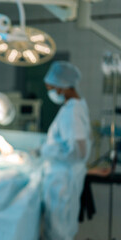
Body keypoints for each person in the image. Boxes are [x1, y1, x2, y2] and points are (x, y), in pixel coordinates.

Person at [40, 61, 91, 240]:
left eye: (51, 88)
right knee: (62, 228)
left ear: (62, 87)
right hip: (65, 176)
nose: (51, 92)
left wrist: (47, 151)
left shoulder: (73, 111)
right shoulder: (77, 105)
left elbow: (79, 151)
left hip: (62, 179)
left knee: (58, 231)